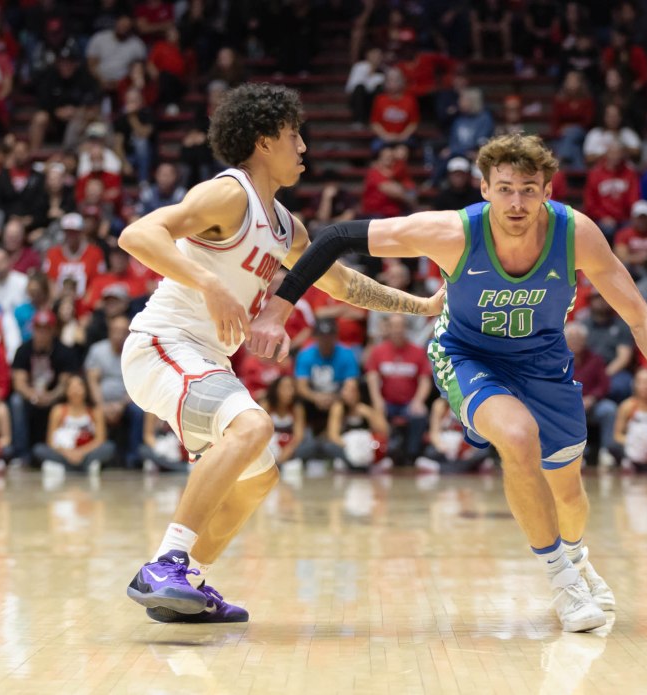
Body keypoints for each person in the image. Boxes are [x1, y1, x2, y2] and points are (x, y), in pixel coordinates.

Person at [251, 133, 647, 632]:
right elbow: (334, 237)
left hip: (543, 362)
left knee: (569, 494)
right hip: (468, 356)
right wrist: (278, 308)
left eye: (528, 189)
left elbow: (641, 317)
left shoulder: (577, 235)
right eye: (505, 189)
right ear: (484, 189)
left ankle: (575, 558)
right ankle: (561, 579)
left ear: (548, 190)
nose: (516, 203)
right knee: (518, 437)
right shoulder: (452, 233)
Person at [117, 83, 442, 624]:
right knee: (253, 428)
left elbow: (341, 283)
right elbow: (138, 234)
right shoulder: (229, 194)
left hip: (205, 359)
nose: (304, 147)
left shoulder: (287, 226)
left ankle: (185, 585)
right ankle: (165, 564)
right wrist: (209, 284)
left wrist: (421, 306)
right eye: (294, 135)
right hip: (163, 344)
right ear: (264, 141)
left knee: (259, 475)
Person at [9, 309, 79, 465]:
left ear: (53, 330)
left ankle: (60, 452)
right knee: (16, 401)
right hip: (30, 397)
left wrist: (51, 396)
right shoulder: (23, 350)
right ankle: (21, 454)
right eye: (38, 329)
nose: (41, 334)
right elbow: (19, 383)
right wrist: (33, 395)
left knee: (70, 399)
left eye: (45, 329)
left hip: (55, 397)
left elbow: (65, 383)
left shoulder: (64, 351)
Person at [366, 313, 432, 467]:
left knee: (420, 414)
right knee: (375, 415)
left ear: (406, 328)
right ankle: (384, 453)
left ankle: (412, 455)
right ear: (388, 328)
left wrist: (418, 401)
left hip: (409, 403)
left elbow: (425, 380)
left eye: (400, 326)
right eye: (394, 326)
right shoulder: (378, 351)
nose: (397, 330)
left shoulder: (417, 352)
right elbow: (372, 377)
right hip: (387, 403)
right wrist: (377, 400)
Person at [85, 315, 143, 466]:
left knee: (138, 411)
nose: (119, 335)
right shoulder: (97, 350)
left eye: (123, 331)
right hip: (101, 400)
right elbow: (92, 382)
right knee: (91, 412)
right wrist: (101, 406)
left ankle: (134, 458)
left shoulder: (136, 353)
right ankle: (94, 458)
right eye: (115, 330)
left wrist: (121, 405)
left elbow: (139, 384)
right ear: (109, 331)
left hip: (127, 400)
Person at [33, 374, 116, 476]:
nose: (75, 390)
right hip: (64, 453)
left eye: (79, 386)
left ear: (85, 389)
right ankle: (85, 467)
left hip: (87, 452)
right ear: (66, 390)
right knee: (39, 449)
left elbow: (100, 440)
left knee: (109, 447)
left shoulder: (95, 412)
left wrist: (80, 452)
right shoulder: (58, 410)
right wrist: (68, 453)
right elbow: (51, 442)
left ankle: (64, 468)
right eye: (72, 387)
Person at [563, 322, 617, 469]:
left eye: (579, 338)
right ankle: (575, 454)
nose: (576, 342)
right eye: (572, 338)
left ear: (585, 340)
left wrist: (592, 398)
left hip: (591, 404)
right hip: (566, 405)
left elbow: (604, 385)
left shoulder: (595, 359)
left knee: (609, 409)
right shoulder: (557, 360)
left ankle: (607, 451)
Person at [259, 375, 305, 466]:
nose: (289, 392)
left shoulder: (297, 407)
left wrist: (288, 450)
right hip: (268, 445)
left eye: (291, 387)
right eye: (285, 388)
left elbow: (298, 436)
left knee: (306, 446)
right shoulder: (266, 404)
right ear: (275, 389)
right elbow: (259, 431)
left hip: (289, 445)